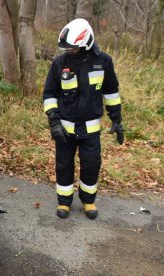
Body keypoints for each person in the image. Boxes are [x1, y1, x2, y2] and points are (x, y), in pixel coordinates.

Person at [43, 18, 124, 219]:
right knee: (63, 165)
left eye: (72, 46)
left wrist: (117, 120)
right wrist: (54, 121)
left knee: (91, 165)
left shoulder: (103, 62)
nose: (68, 49)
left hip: (90, 131)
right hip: (65, 129)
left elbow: (111, 92)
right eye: (67, 46)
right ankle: (64, 202)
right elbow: (49, 94)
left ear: (86, 42)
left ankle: (88, 201)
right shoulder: (59, 63)